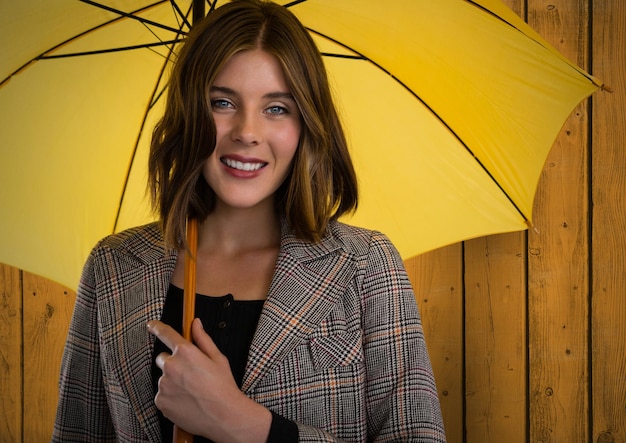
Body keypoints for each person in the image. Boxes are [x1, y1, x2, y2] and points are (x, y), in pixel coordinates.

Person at [53, 0, 446, 441]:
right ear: (189, 113)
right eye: (222, 102)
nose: (246, 131)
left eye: (276, 108)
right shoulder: (114, 266)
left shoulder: (364, 267)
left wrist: (246, 424)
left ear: (306, 125)